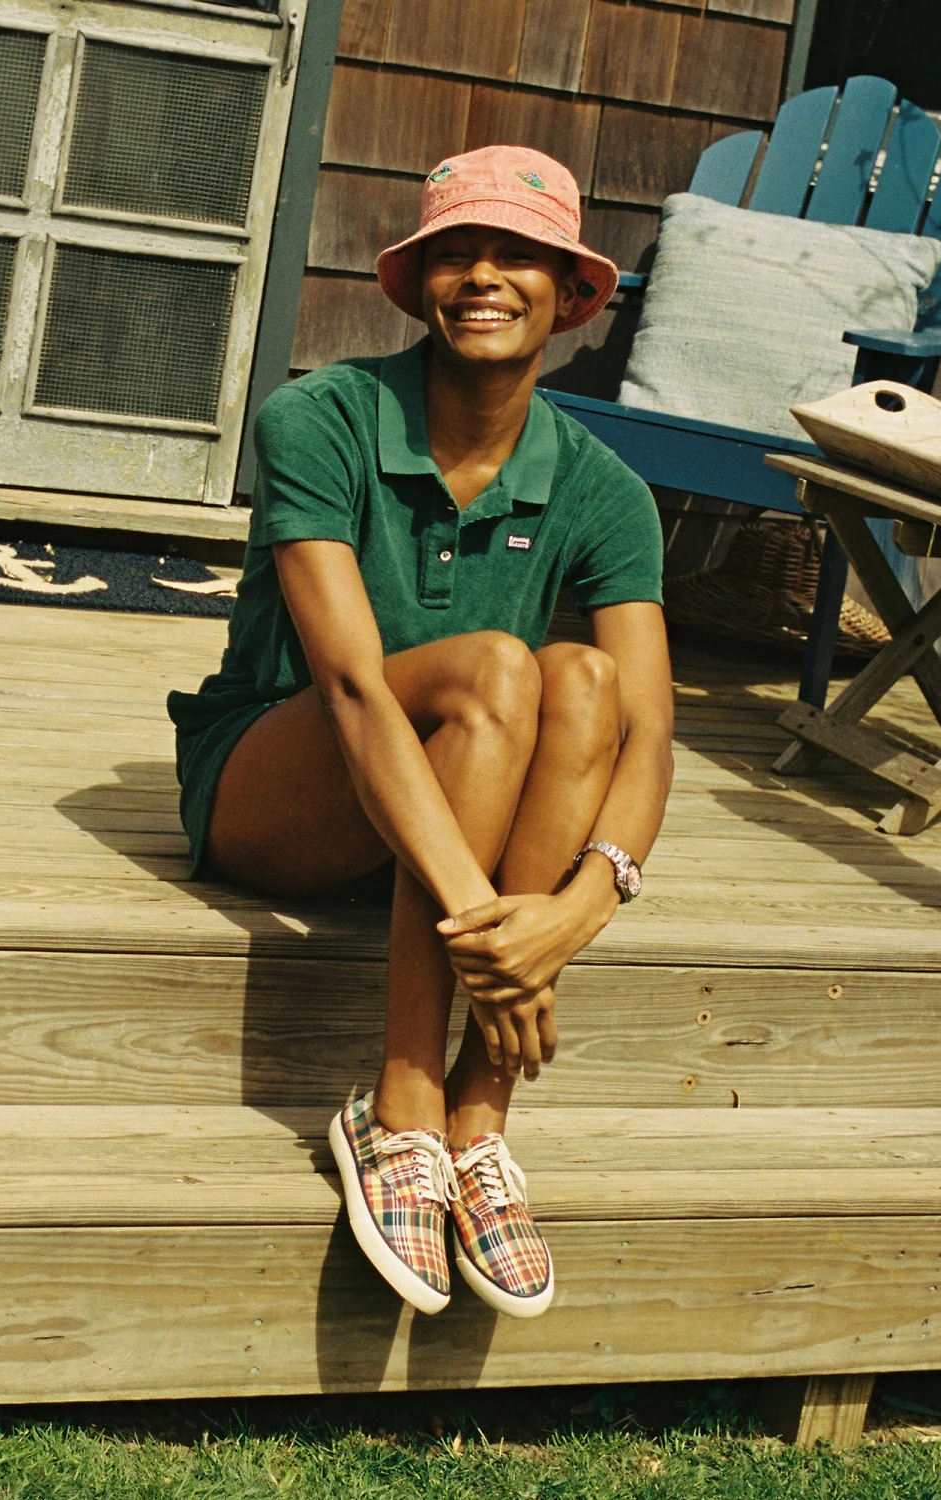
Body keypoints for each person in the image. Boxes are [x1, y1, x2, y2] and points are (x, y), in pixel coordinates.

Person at [167, 145, 674, 1320]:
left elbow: (645, 737)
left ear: (572, 293)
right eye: (456, 252)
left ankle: (478, 1117)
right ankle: (401, 1108)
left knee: (585, 684)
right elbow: (348, 690)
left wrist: (572, 914)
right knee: (500, 670)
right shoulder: (323, 419)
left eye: (518, 256)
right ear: (417, 282)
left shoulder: (606, 491)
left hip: (460, 838)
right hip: (281, 782)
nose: (483, 277)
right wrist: (491, 932)